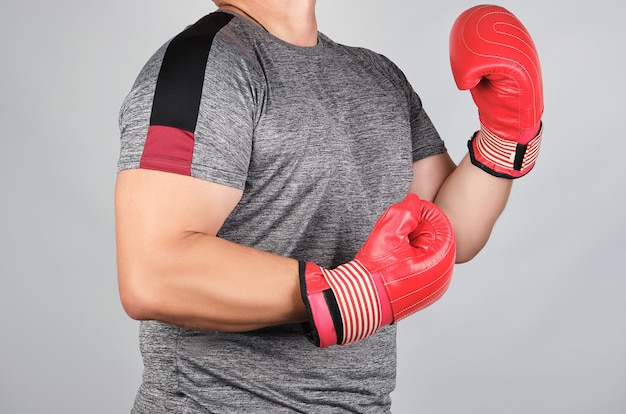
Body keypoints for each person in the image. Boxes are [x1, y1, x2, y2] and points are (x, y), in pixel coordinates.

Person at [115, 1, 543, 412]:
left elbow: (448, 236)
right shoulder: (203, 64)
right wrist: (351, 294)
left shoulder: (377, 74)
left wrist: (506, 136)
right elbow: (155, 274)